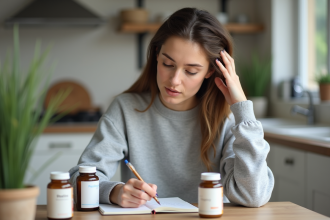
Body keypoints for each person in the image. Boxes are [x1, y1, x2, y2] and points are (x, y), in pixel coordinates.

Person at [69, 7, 274, 208]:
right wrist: (114, 192)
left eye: (191, 71)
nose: (174, 80)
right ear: (157, 55)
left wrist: (242, 110)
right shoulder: (125, 109)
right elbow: (77, 179)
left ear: (211, 71)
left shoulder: (227, 120)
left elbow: (253, 195)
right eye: (168, 64)